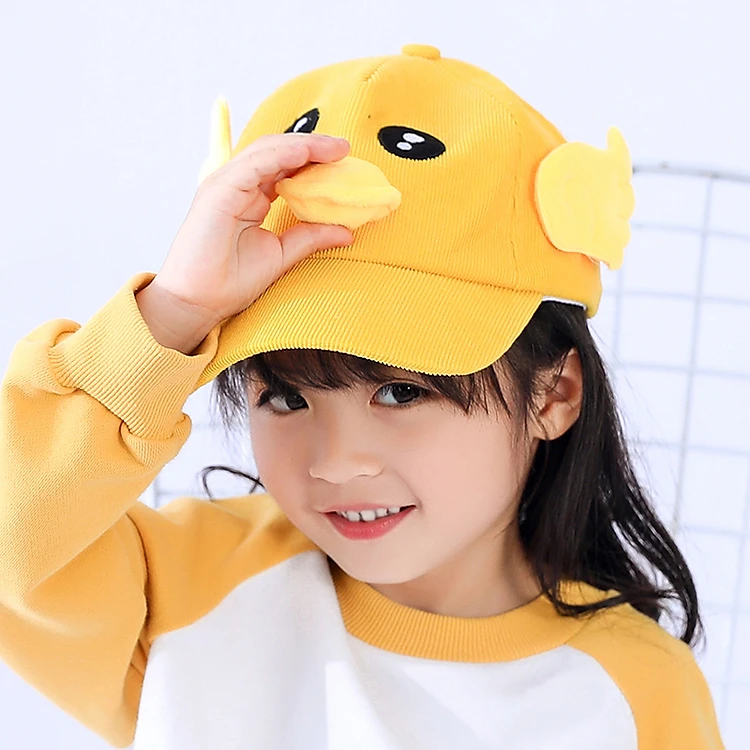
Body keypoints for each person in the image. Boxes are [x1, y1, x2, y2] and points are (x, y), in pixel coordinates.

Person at [0, 43, 725, 749]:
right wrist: (174, 312)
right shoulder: (184, 597)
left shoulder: (633, 693)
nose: (336, 462)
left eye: (402, 392)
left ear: (553, 394)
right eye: (286, 398)